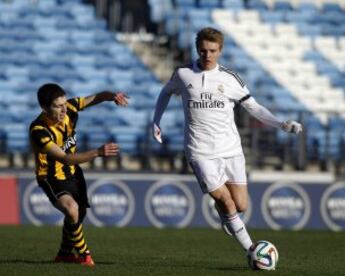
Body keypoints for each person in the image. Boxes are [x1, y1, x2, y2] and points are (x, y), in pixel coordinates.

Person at [152, 27, 302, 261]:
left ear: (220, 51)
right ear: (197, 49)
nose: (207, 55)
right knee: (225, 199)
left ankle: (227, 217)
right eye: (203, 50)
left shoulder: (230, 79)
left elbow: (254, 108)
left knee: (240, 205)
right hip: (199, 151)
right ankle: (253, 251)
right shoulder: (183, 74)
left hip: (231, 149)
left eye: (212, 50)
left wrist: (280, 124)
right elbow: (165, 92)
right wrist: (156, 120)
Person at [29, 83, 128, 266]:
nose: (64, 109)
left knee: (78, 215)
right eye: (58, 106)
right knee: (72, 209)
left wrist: (112, 95)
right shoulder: (39, 130)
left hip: (73, 173)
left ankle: (65, 254)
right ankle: (84, 255)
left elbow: (97, 97)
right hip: (51, 177)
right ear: (44, 108)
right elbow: (65, 158)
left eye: (64, 103)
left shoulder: (70, 108)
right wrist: (97, 152)